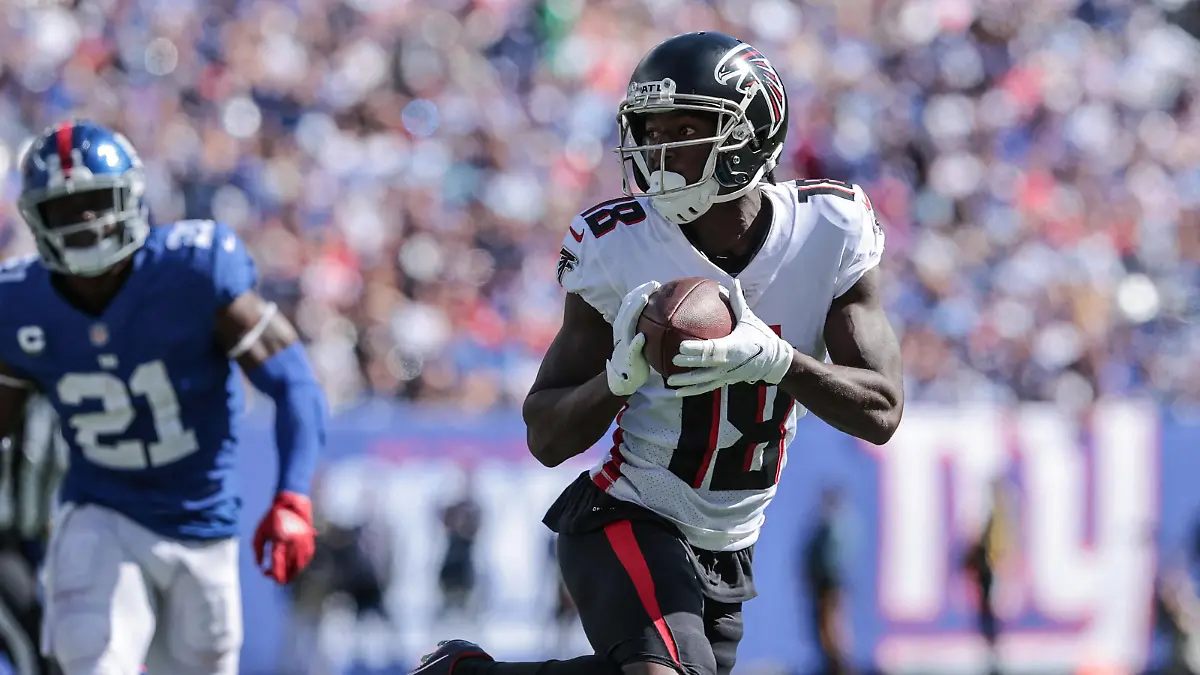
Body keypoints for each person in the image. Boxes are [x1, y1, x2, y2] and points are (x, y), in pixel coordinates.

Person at [412, 30, 904, 675]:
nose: (660, 153)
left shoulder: (829, 230)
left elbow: (882, 411)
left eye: (685, 131)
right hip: (626, 515)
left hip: (728, 549)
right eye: (650, 133)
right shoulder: (616, 246)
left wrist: (779, 363)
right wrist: (616, 381)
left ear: (750, 136)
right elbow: (545, 433)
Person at [0, 120, 327, 675]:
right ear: (37, 217)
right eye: (65, 208)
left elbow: (294, 381)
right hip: (100, 510)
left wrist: (293, 496)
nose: (85, 221)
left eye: (96, 201)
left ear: (130, 198)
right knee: (92, 659)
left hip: (203, 520)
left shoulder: (193, 270)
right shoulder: (21, 304)